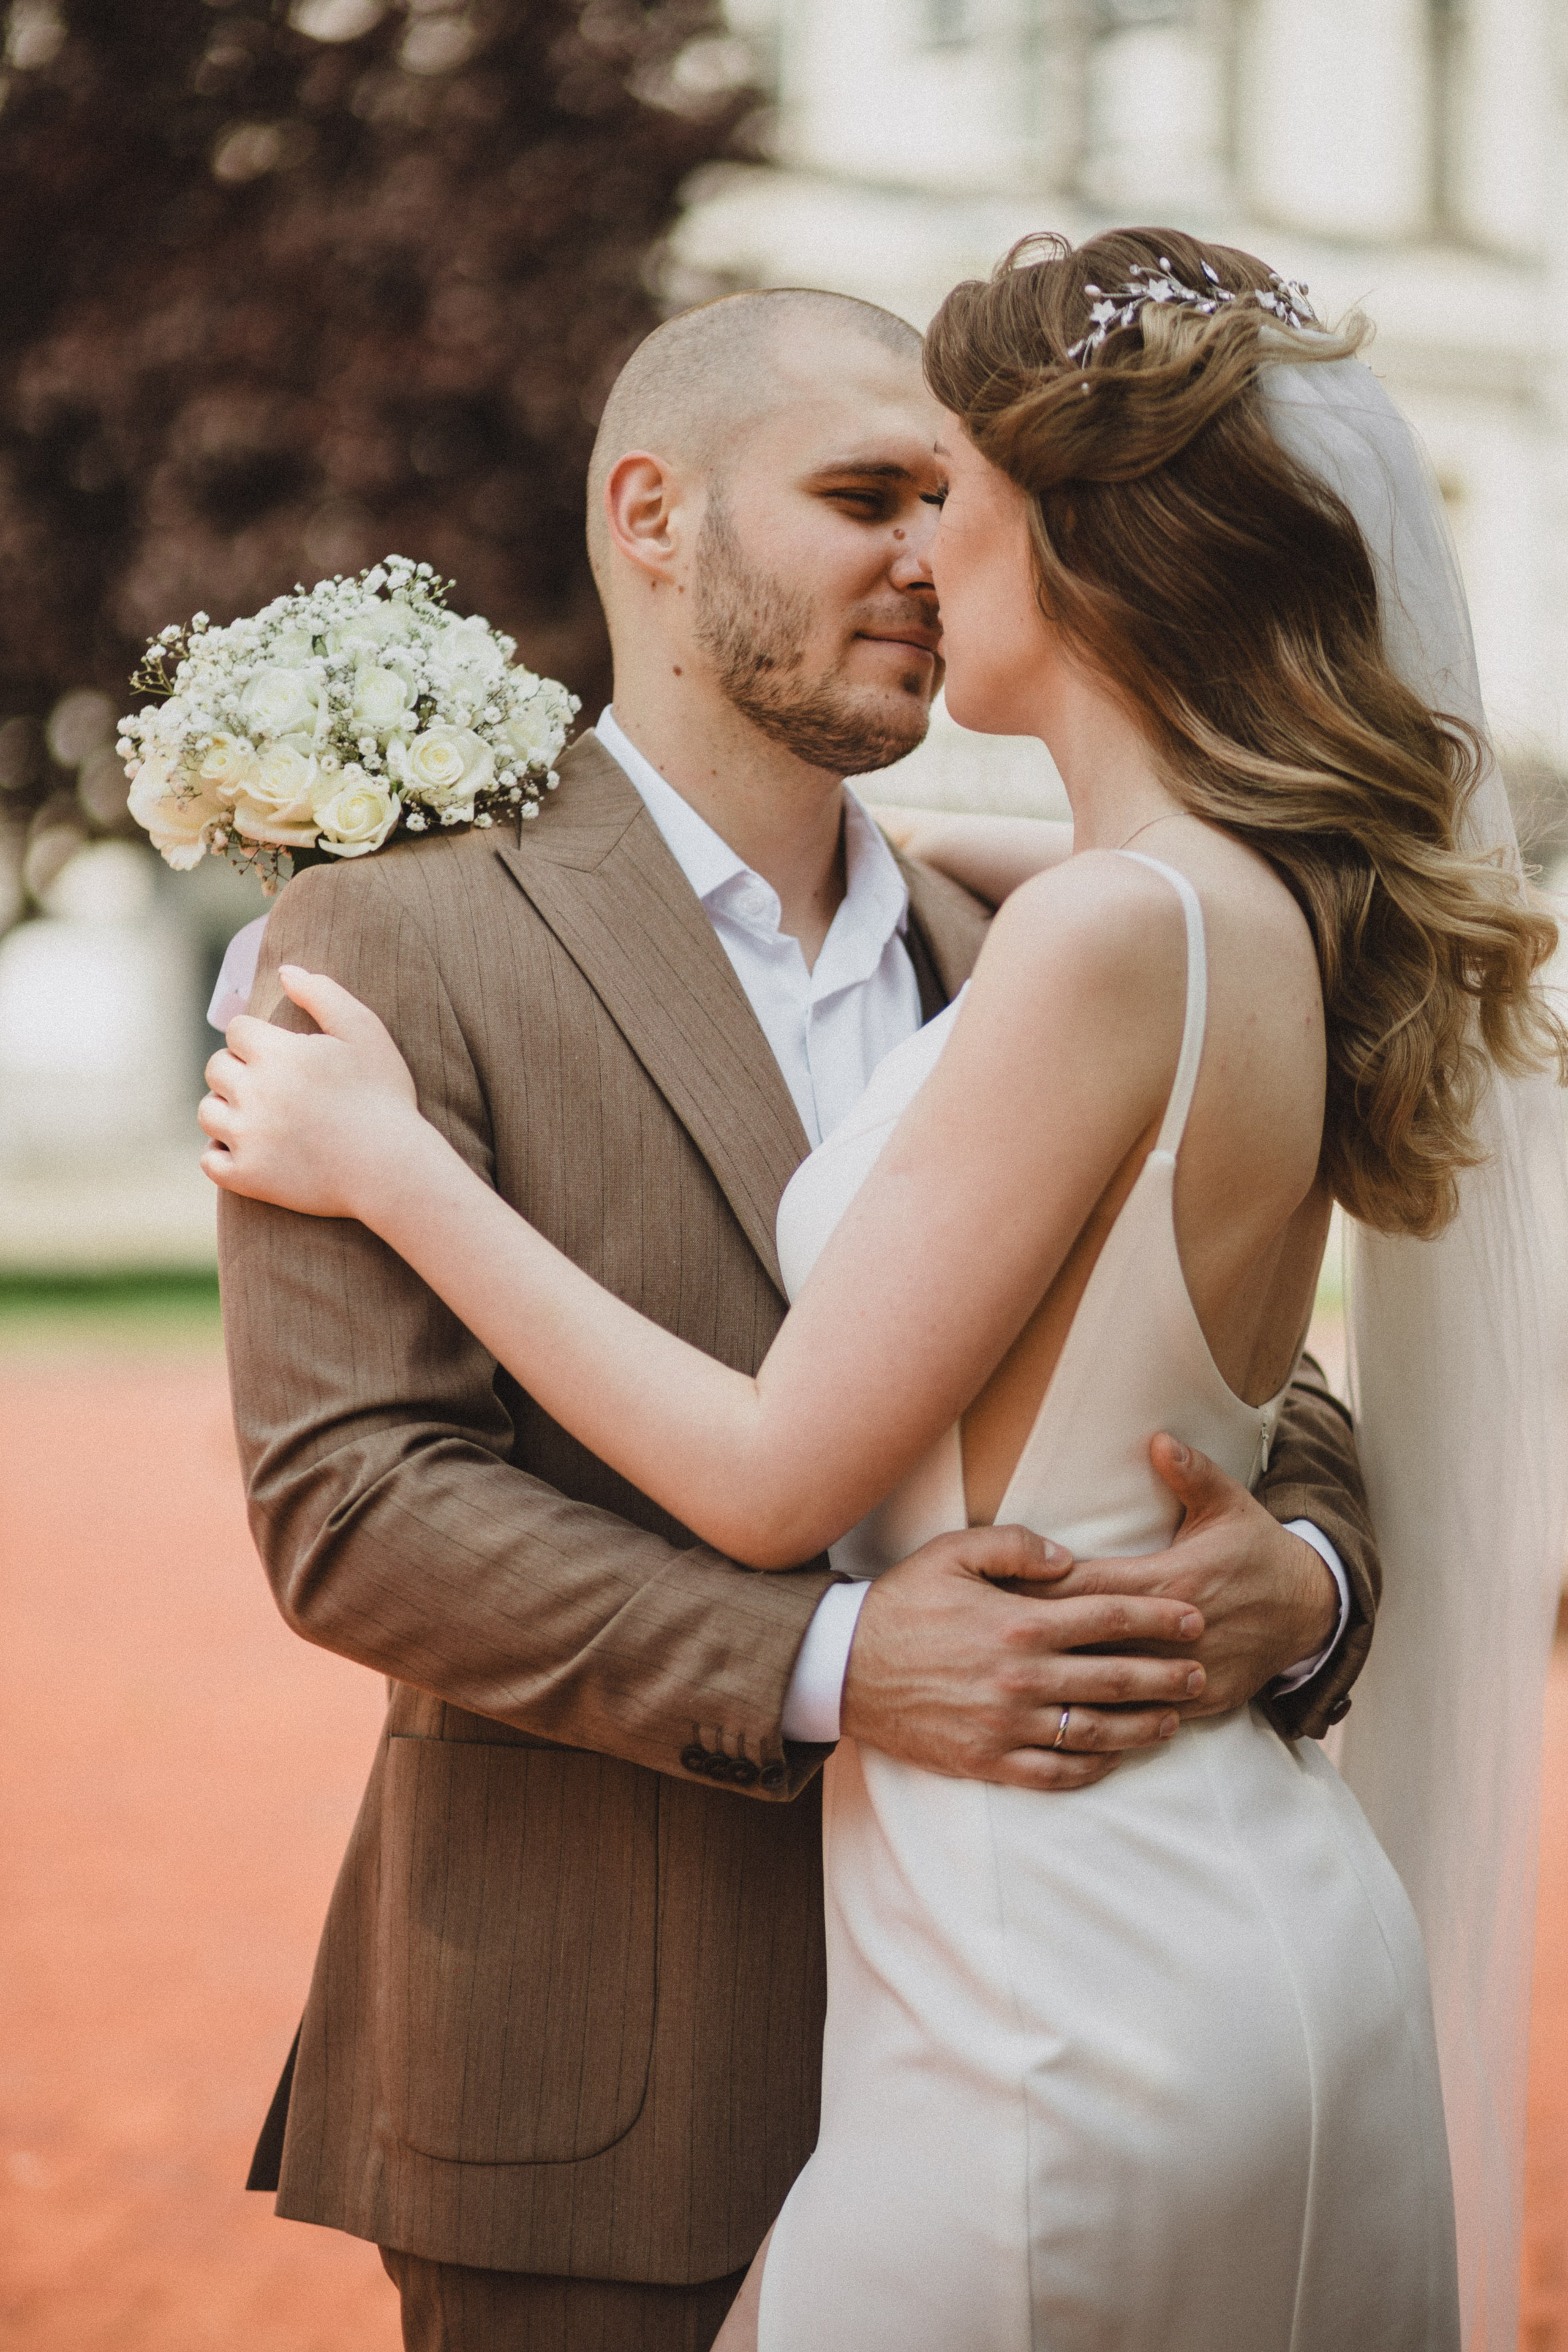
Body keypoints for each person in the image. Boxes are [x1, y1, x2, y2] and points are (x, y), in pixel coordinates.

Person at [210, 273, 1393, 2352]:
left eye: (952, 504)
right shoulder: (391, 932)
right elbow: (353, 1504)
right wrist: (840, 1666)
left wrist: (1302, 1580)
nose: (932, 556)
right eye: (866, 497)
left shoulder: (1022, 933)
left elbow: (1240, 1366)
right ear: (652, 516)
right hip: (610, 2080)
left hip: (1060, 2015)